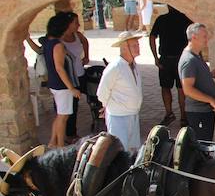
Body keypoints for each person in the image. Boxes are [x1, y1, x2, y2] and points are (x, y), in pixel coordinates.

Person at [96, 31, 145, 152]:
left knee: (133, 150)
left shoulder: (133, 64)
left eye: (137, 44)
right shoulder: (115, 67)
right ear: (124, 48)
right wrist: (106, 106)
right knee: (120, 151)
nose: (138, 47)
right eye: (134, 45)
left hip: (133, 114)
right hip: (119, 116)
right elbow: (102, 92)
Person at [149, 5, 193, 127]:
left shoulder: (161, 19)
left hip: (166, 59)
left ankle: (169, 113)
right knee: (181, 89)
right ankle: (183, 117)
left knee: (165, 87)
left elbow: (152, 37)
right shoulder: (186, 19)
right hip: (182, 59)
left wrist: (155, 57)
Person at [43, 14, 81, 148]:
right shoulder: (58, 45)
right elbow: (60, 67)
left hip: (55, 84)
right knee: (63, 117)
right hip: (62, 86)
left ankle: (53, 142)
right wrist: (71, 88)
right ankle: (60, 146)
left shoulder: (48, 42)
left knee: (60, 115)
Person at [178, 23, 215, 141]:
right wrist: (211, 99)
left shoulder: (196, 56)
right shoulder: (189, 60)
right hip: (198, 112)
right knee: (201, 147)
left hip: (205, 111)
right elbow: (188, 89)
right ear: (194, 37)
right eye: (204, 36)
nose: (207, 39)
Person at [60, 12, 90, 141]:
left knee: (94, 96)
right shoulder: (59, 40)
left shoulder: (77, 35)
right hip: (70, 78)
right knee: (72, 107)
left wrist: (87, 56)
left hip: (80, 73)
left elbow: (85, 42)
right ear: (68, 24)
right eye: (75, 22)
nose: (78, 25)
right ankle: (70, 134)